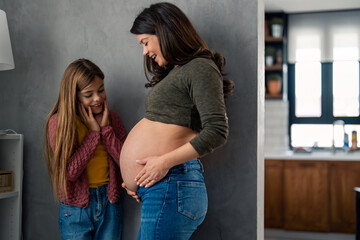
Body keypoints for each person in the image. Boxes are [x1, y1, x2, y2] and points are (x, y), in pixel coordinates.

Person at [120, 2, 234, 239]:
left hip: (173, 183)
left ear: (163, 31)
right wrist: (136, 179)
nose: (144, 52)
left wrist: (161, 163)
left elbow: (217, 131)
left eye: (145, 42)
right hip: (163, 187)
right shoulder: (178, 71)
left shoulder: (200, 66)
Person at [44, 58, 126, 240]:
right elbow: (70, 172)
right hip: (75, 209)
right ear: (74, 96)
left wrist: (106, 130)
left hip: (110, 202)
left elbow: (125, 162)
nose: (97, 98)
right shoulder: (60, 123)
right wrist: (94, 134)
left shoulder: (112, 118)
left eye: (101, 90)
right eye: (89, 94)